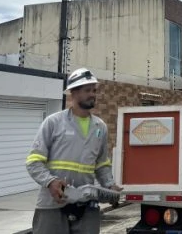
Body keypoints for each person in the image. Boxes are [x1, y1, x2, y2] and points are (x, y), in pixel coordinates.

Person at [26, 67, 122, 234]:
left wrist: (109, 186)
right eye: (87, 90)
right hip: (53, 204)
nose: (92, 94)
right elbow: (33, 162)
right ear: (73, 93)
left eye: (94, 90)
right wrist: (50, 182)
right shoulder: (53, 123)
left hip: (87, 206)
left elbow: (102, 164)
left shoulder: (100, 127)